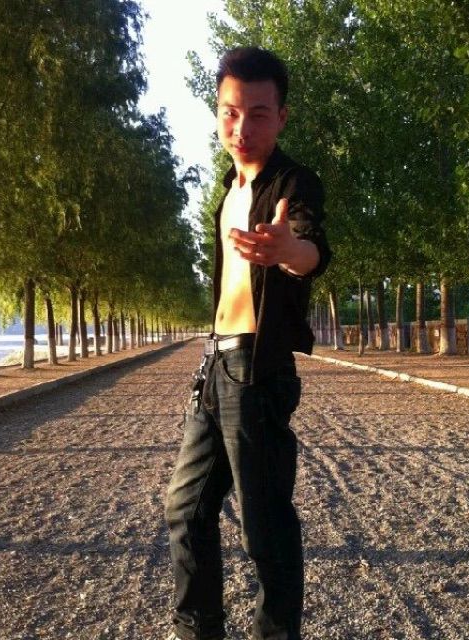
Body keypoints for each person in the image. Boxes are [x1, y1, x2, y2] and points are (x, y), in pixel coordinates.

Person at [165, 46, 331, 640]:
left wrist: (290, 252)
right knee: (185, 509)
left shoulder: (293, 183)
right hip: (215, 364)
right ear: (217, 112)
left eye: (259, 114)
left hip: (258, 371)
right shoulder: (228, 189)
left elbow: (312, 247)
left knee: (264, 527)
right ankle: (197, 630)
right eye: (230, 112)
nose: (242, 128)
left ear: (281, 116)